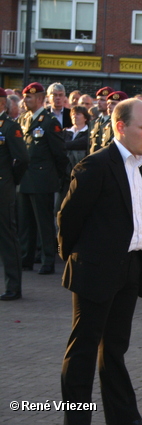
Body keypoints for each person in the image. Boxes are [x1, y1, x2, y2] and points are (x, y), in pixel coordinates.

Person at [58, 99, 142, 425]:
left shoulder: (140, 167)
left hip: (130, 269)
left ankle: (124, 418)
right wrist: (79, 260)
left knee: (114, 349)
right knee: (84, 349)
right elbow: (68, 218)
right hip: (95, 272)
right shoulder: (96, 165)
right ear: (120, 127)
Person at [18, 82, 68, 275]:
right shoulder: (24, 119)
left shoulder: (49, 122)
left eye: (28, 97)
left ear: (39, 99)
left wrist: (57, 177)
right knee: (26, 223)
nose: (25, 100)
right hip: (25, 179)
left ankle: (48, 260)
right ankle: (26, 258)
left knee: (44, 223)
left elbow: (59, 154)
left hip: (42, 179)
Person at [0, 88, 29, 301]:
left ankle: (13, 286)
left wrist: (12, 181)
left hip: (3, 188)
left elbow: (22, 159)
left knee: (8, 237)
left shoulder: (9, 127)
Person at [89, 87, 114, 154]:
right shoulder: (95, 121)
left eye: (102, 100)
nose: (98, 102)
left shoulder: (113, 122)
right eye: (98, 99)